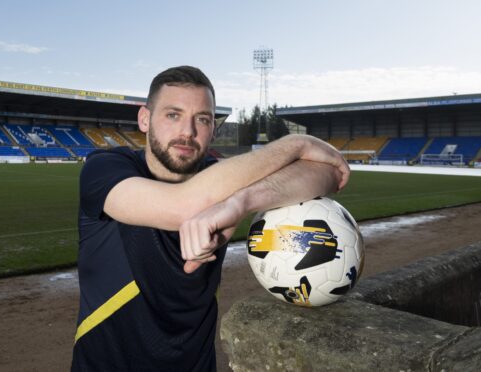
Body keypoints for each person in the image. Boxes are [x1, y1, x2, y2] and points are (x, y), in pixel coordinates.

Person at [72, 66, 349, 371]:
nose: (188, 132)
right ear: (144, 119)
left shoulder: (221, 178)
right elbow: (184, 205)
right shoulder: (104, 170)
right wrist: (298, 144)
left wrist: (241, 202)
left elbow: (328, 174)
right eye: (173, 115)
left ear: (213, 129)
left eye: (202, 119)